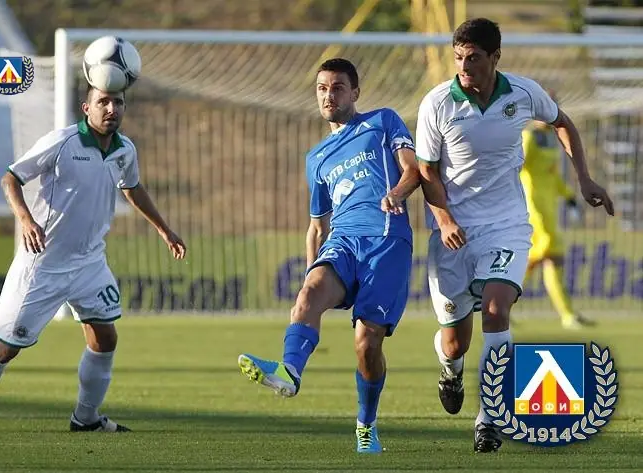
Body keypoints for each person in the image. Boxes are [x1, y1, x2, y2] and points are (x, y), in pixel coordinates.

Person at [415, 18, 614, 453]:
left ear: (495, 58)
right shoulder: (437, 103)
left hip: (507, 225)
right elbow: (426, 171)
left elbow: (563, 123)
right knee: (454, 341)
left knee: (495, 309)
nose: (464, 66)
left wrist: (583, 179)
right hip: (454, 232)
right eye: (458, 58)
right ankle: (450, 369)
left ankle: (490, 417)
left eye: (473, 58)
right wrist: (444, 220)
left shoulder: (523, 93)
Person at [0, 85, 186, 433]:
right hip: (43, 264)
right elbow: (10, 178)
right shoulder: (62, 142)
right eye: (103, 102)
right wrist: (26, 220)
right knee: (8, 347)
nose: (111, 109)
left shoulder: (125, 150)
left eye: (118, 102)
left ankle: (86, 418)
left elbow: (132, 187)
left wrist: (164, 230)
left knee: (105, 338)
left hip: (89, 262)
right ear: (87, 107)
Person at [237, 58, 421, 453]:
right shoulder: (316, 158)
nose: (328, 95)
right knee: (307, 297)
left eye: (337, 87)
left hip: (386, 239)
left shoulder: (382, 122)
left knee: (366, 344)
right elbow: (317, 227)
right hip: (343, 240)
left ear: (355, 92)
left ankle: (366, 425)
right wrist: (310, 274)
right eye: (322, 88)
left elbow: (413, 170)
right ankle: (289, 371)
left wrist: (396, 194)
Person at [520, 90, 594, 329]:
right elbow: (516, 168)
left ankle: (498, 304)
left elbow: (553, 176)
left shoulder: (551, 138)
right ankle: (567, 315)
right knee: (551, 255)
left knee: (540, 259)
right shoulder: (528, 137)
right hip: (533, 207)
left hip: (549, 207)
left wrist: (569, 197)